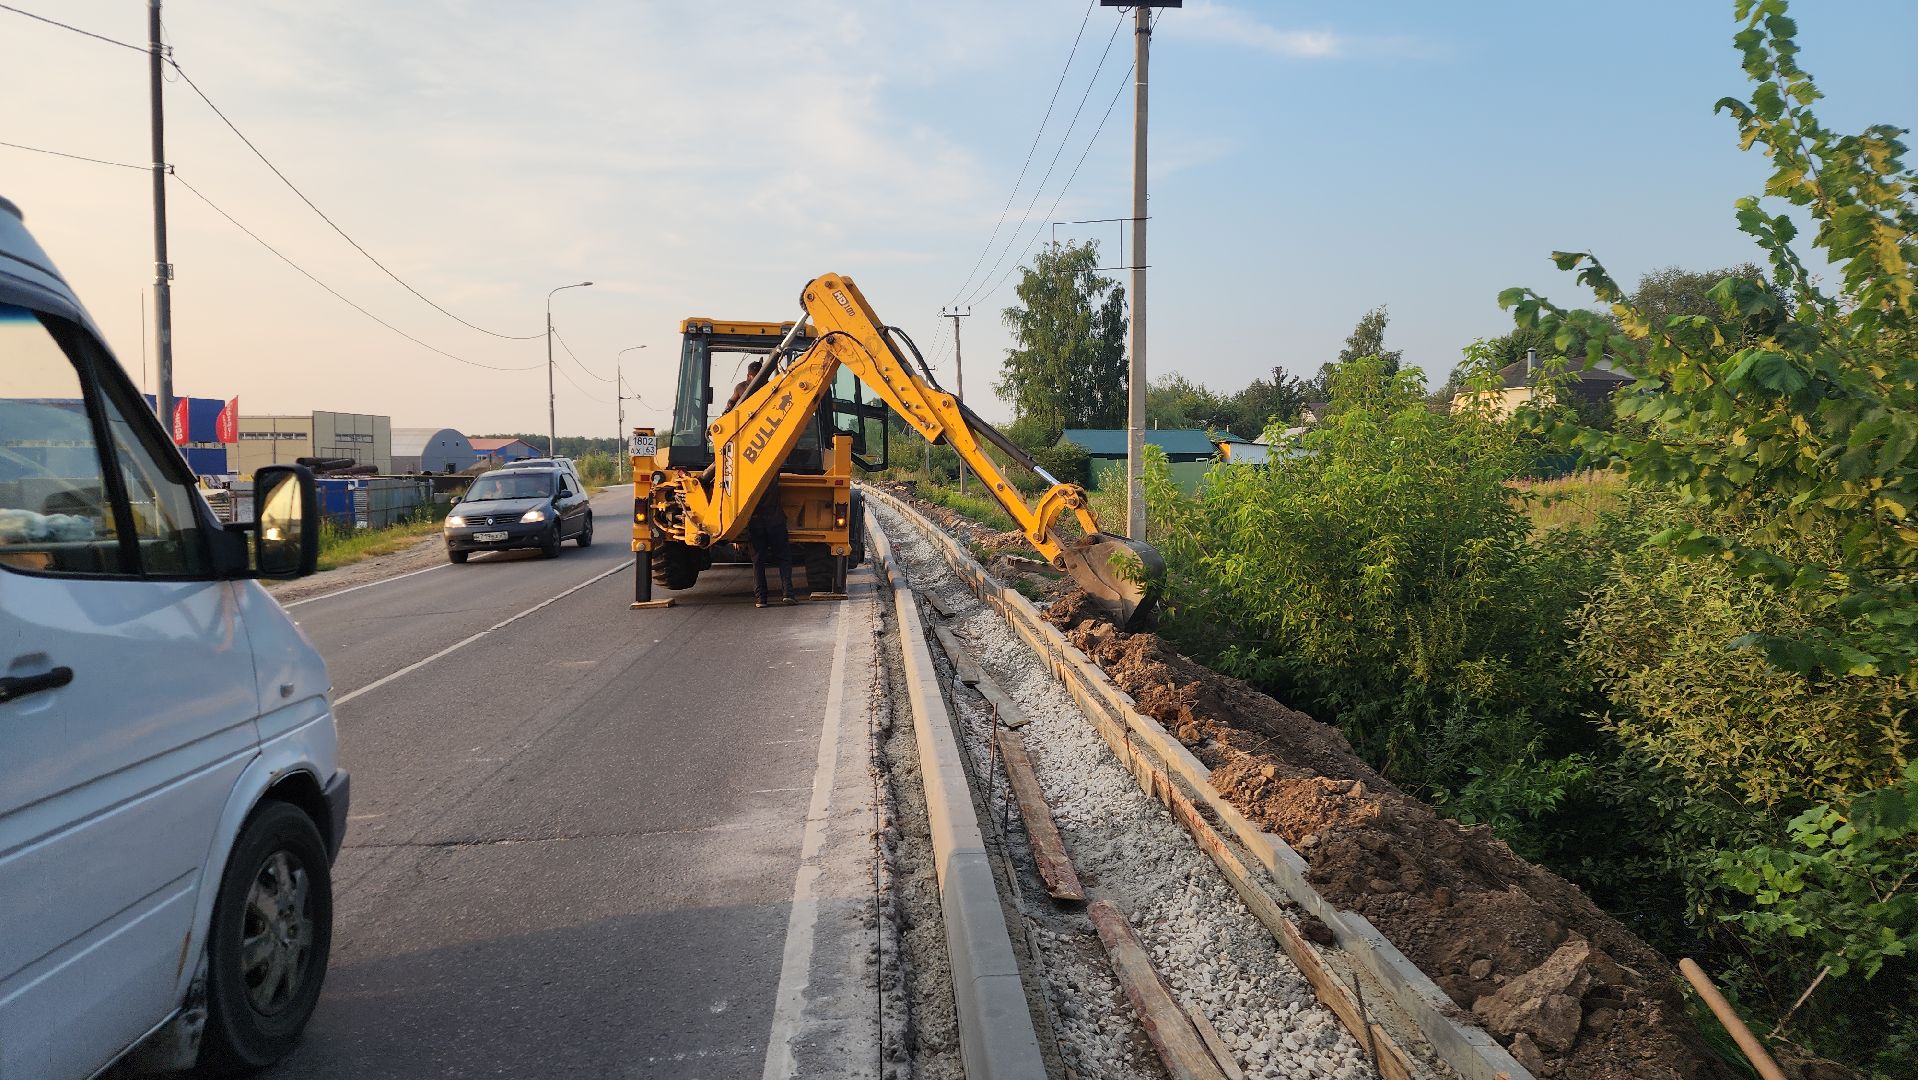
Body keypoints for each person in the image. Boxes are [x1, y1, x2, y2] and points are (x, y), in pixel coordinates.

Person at [747, 477, 796, 608]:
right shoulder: (772, 474)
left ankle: (761, 598)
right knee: (783, 557)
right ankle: (788, 593)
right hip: (775, 522)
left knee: (758, 561)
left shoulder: (748, 478)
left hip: (756, 523)